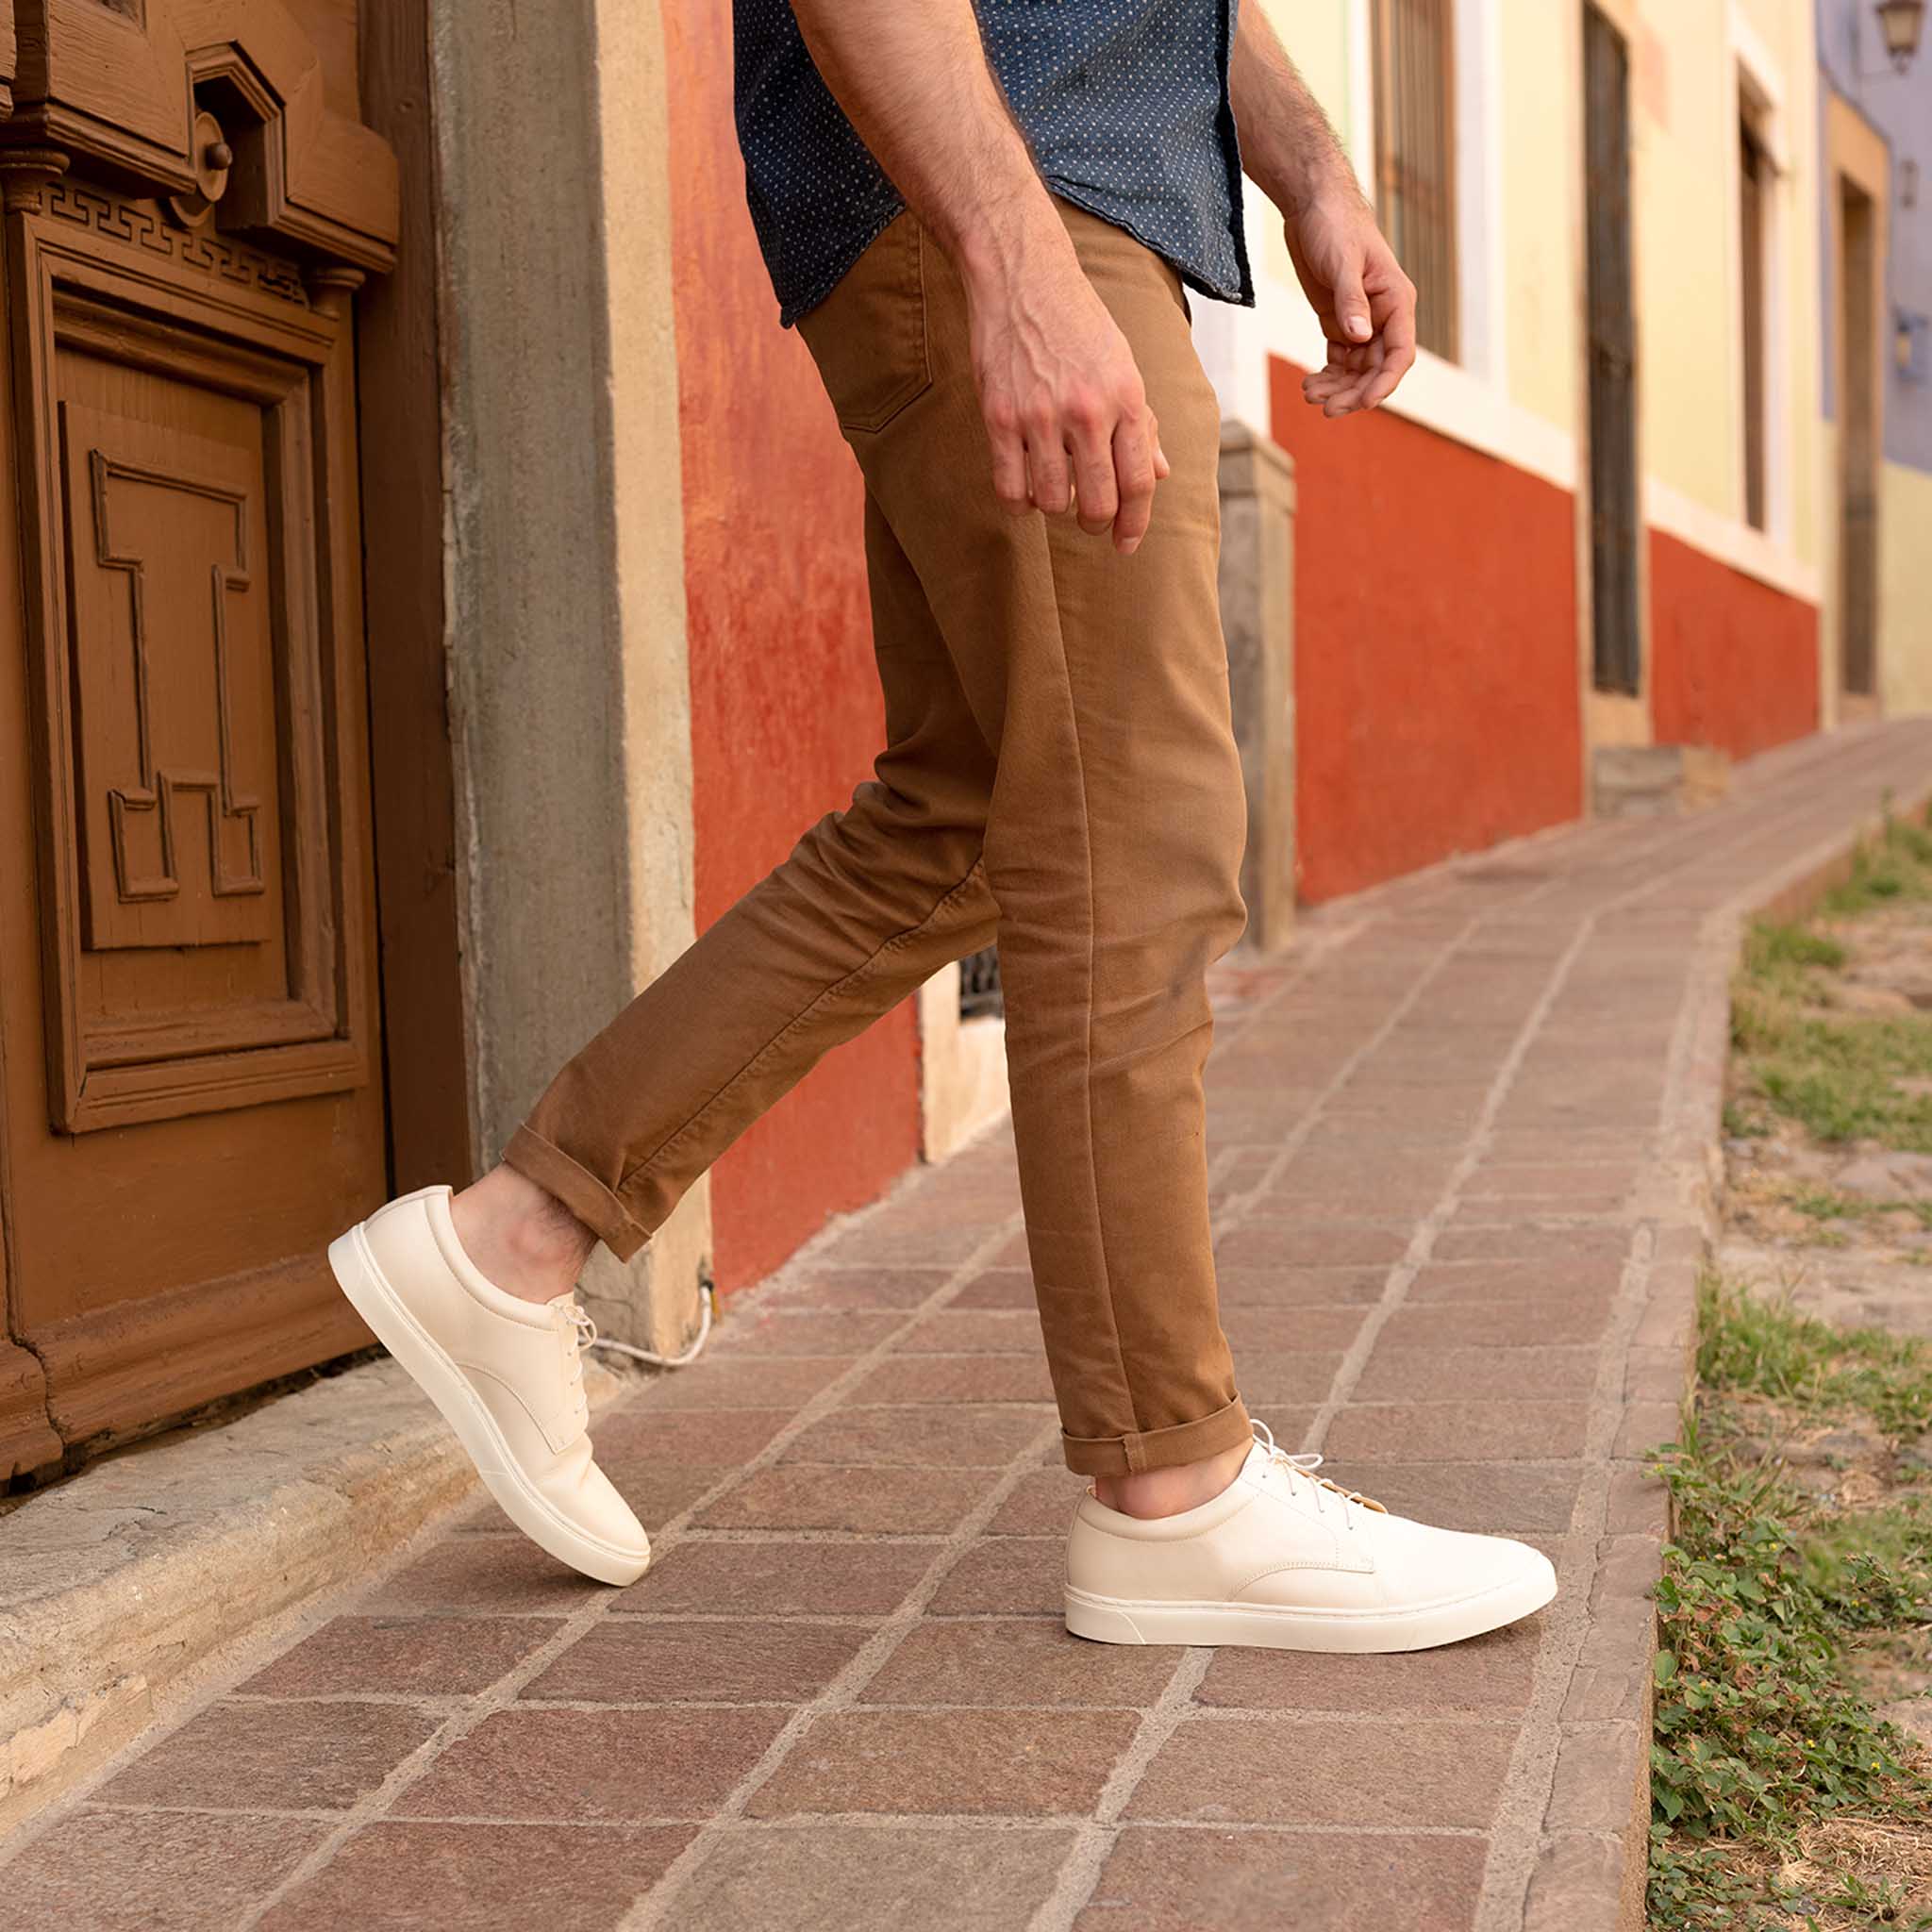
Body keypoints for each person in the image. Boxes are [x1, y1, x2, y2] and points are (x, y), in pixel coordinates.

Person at [328, 0, 1557, 1651]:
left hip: (1032, 200)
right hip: (1014, 200)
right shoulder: (1018, 231)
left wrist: (1312, 171)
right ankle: (1175, 1489)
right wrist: (1019, 266)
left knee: (966, 821)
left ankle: (518, 1236)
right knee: (1137, 832)